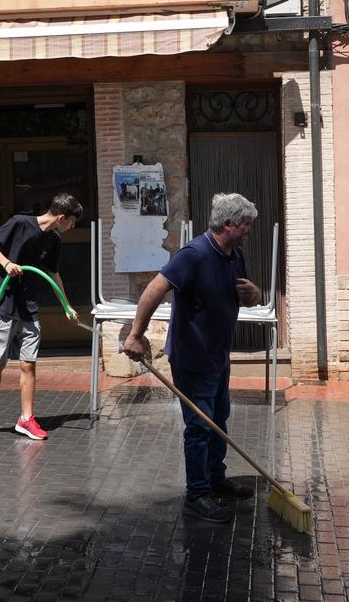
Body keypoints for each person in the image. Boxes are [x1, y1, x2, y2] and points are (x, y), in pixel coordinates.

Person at [123, 193, 263, 523]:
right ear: (228, 224)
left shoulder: (234, 255)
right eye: (246, 225)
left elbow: (248, 298)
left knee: (218, 420)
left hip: (218, 355)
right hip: (193, 356)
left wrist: (254, 294)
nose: (249, 231)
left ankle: (216, 480)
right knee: (200, 426)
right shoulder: (194, 253)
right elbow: (154, 289)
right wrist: (134, 335)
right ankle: (197, 494)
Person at [0, 193, 83, 440]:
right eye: (72, 222)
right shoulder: (19, 223)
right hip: (5, 303)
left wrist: (66, 305)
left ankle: (26, 419)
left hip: (29, 305)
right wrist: (6, 263)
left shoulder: (54, 240)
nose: (72, 227)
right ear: (61, 217)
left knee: (28, 363)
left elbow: (54, 274)